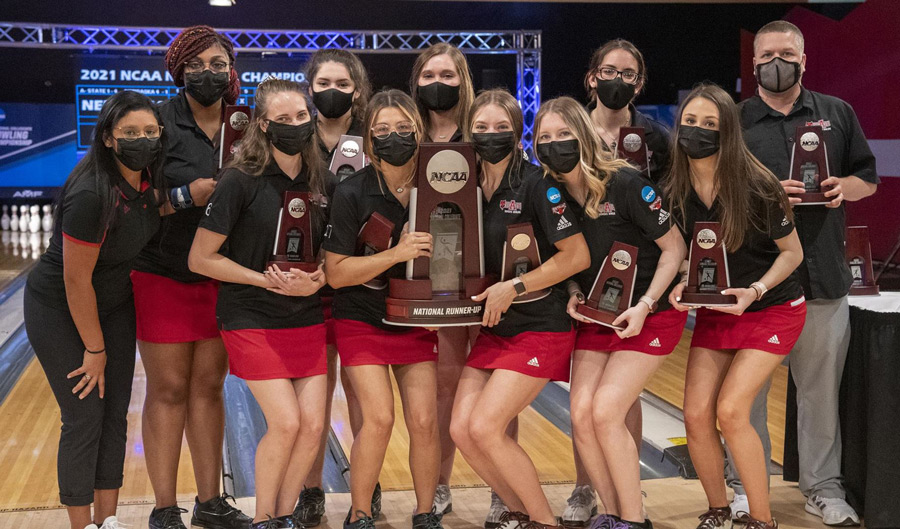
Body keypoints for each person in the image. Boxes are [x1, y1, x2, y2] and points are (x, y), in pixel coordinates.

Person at [725, 20, 878, 527]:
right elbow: (716, 192)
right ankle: (746, 487)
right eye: (766, 55)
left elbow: (868, 178)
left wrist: (842, 189)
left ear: (804, 60)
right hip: (759, 282)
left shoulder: (837, 113)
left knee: (818, 394)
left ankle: (822, 487)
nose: (776, 63)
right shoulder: (736, 120)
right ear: (753, 64)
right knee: (745, 396)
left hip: (825, 278)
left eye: (786, 54)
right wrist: (765, 197)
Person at [189, 78, 330, 529]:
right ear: (264, 126)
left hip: (305, 314)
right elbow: (200, 258)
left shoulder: (320, 178)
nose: (295, 126)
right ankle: (264, 518)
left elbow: (330, 250)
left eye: (302, 117)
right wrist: (261, 281)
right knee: (287, 423)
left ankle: (280, 516)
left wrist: (320, 279)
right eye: (283, 120)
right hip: (250, 314)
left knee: (312, 429)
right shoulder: (239, 179)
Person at [664, 83, 806, 529]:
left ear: (728, 132)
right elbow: (686, 253)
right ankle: (718, 508)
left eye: (710, 124)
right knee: (694, 414)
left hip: (772, 307)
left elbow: (792, 253)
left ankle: (761, 520)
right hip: (717, 310)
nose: (698, 131)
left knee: (730, 410)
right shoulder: (673, 188)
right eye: (690, 122)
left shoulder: (758, 183)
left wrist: (756, 290)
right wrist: (680, 281)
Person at [23, 90, 166, 529]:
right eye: (129, 133)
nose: (141, 139)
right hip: (59, 309)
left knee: (115, 412)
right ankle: (82, 525)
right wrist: (94, 348)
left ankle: (109, 523)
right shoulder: (91, 193)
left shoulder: (146, 181)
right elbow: (74, 280)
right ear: (107, 138)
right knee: (84, 415)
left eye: (149, 131)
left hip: (113, 304)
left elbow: (154, 206)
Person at [449, 92, 591, 529]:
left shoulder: (535, 183)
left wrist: (515, 285)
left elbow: (576, 256)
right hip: (497, 328)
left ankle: (543, 521)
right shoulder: (462, 184)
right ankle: (519, 511)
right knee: (461, 430)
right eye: (482, 129)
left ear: (517, 133)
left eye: (500, 128)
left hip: (540, 325)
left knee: (487, 427)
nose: (491, 136)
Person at [130, 25, 251, 529]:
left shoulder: (245, 126)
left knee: (208, 386)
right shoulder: (158, 123)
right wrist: (186, 195)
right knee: (169, 389)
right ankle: (163, 507)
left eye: (218, 64)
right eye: (197, 65)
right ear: (179, 71)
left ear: (231, 70)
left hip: (220, 273)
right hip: (162, 273)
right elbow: (130, 203)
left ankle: (209, 502)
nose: (208, 74)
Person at [547, 96, 686, 529]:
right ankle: (610, 514)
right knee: (581, 414)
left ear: (584, 136)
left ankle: (634, 518)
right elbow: (568, 259)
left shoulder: (626, 184)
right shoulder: (551, 195)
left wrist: (646, 306)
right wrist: (572, 291)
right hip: (598, 316)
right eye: (545, 138)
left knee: (605, 410)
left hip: (651, 314)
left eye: (564, 135)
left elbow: (675, 249)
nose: (554, 145)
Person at [323, 89, 444, 529]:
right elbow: (336, 274)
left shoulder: (440, 185)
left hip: (415, 318)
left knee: (426, 420)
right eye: (383, 130)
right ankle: (359, 515)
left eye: (403, 128)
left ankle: (426, 512)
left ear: (418, 130)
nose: (395, 136)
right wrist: (397, 252)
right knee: (378, 418)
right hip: (361, 318)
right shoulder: (351, 190)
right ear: (369, 139)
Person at [296, 48, 377, 528]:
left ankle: (367, 485)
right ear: (310, 88)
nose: (333, 91)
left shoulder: (374, 138)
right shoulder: (295, 138)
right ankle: (310, 488)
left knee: (363, 394)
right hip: (307, 285)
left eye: (343, 84)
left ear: (358, 91)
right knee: (315, 395)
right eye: (324, 82)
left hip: (359, 283)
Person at [409, 42, 487, 521]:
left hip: (475, 276)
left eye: (449, 74)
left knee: (485, 381)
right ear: (417, 82)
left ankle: (498, 487)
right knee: (440, 386)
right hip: (420, 275)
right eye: (429, 74)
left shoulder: (482, 134)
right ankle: (437, 483)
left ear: (463, 80)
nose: (439, 82)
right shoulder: (405, 134)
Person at [585, 39, 671, 183]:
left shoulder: (658, 137)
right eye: (608, 71)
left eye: (628, 74)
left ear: (638, 85)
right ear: (593, 78)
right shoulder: (573, 131)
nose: (617, 80)